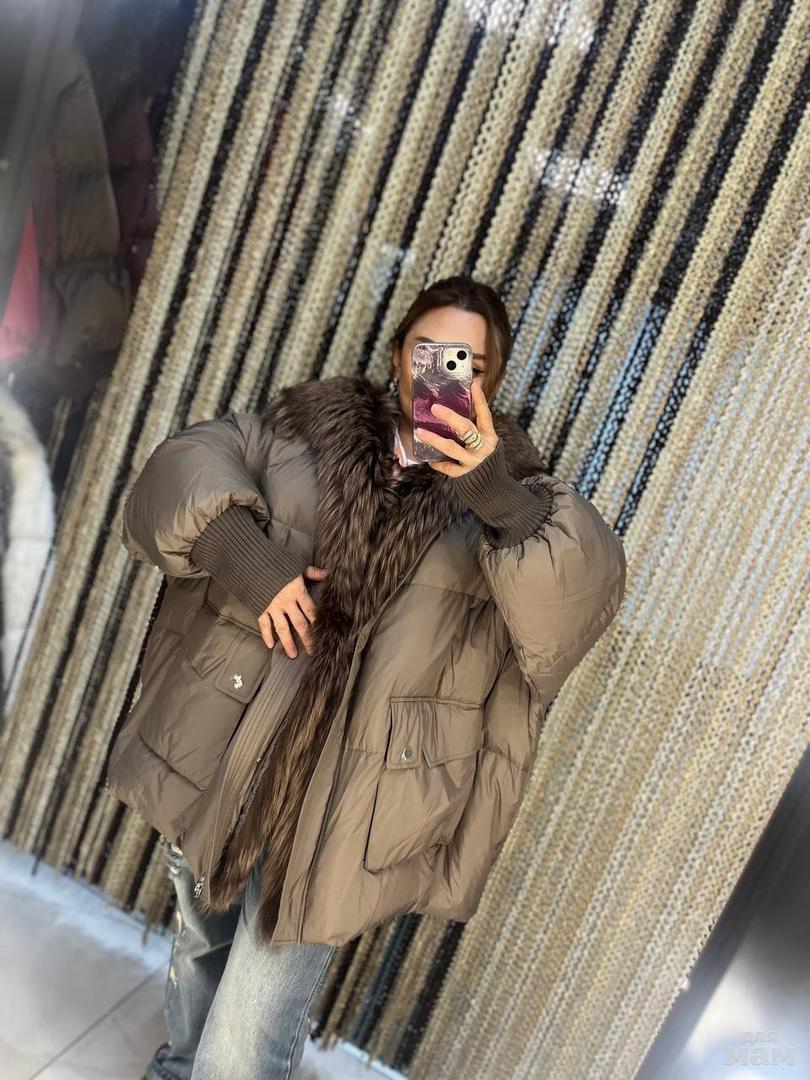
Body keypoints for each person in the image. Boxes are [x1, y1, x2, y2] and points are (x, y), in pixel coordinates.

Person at [108, 275, 626, 1079]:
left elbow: (576, 605)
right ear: (396, 354)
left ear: (490, 379)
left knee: (248, 1034)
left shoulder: (517, 500)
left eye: (465, 361)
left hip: (354, 804)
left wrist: (495, 494)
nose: (441, 371)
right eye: (427, 350)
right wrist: (246, 559)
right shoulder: (299, 431)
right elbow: (179, 472)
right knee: (201, 948)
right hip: (227, 761)